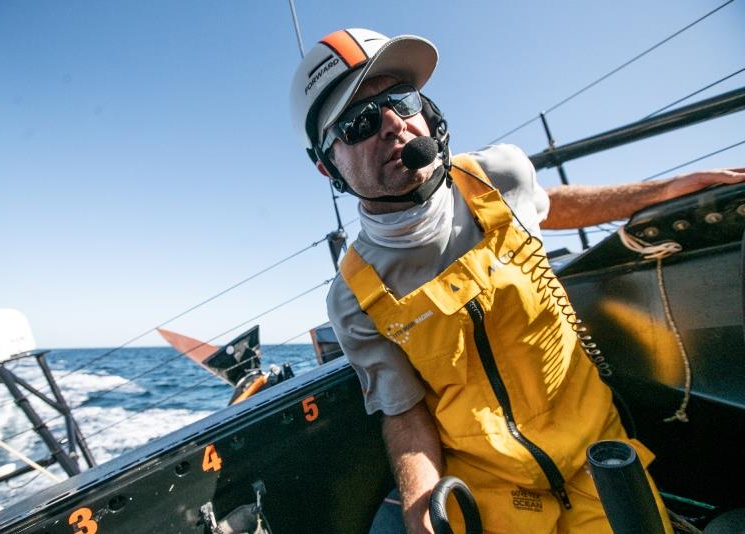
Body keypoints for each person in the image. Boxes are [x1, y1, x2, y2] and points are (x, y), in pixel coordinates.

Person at [290, 28, 744, 534]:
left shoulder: (499, 174)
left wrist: (659, 191)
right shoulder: (355, 296)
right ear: (326, 166)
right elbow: (405, 411)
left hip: (603, 464)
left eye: (402, 98)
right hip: (492, 498)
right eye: (359, 122)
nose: (394, 123)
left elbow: (551, 206)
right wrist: (422, 511)